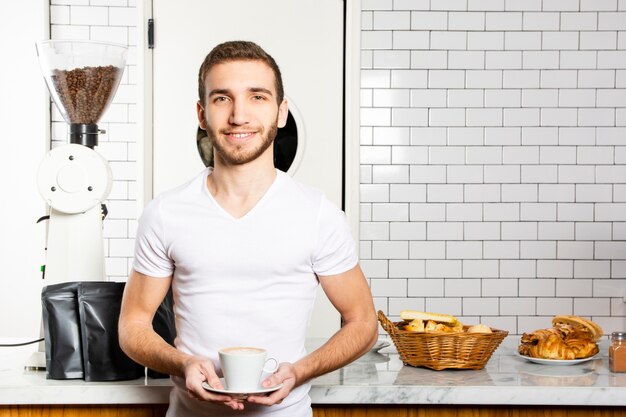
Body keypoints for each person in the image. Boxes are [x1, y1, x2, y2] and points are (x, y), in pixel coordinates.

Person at [118, 40, 378, 417]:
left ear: (281, 111)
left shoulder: (318, 214)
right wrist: (183, 363)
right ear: (202, 113)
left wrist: (299, 372)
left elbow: (363, 323)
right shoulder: (165, 213)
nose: (240, 115)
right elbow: (133, 324)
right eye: (222, 98)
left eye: (257, 97)